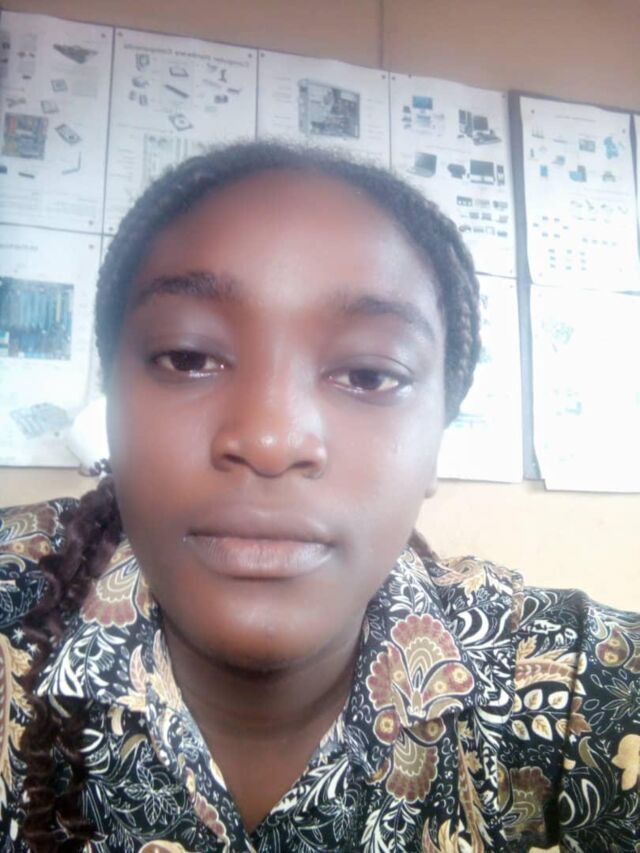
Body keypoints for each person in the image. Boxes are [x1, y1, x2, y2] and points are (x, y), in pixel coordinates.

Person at [0, 141, 638, 853]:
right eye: (187, 357)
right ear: (113, 404)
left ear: (437, 439)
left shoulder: (559, 678)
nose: (271, 439)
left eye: (368, 375)